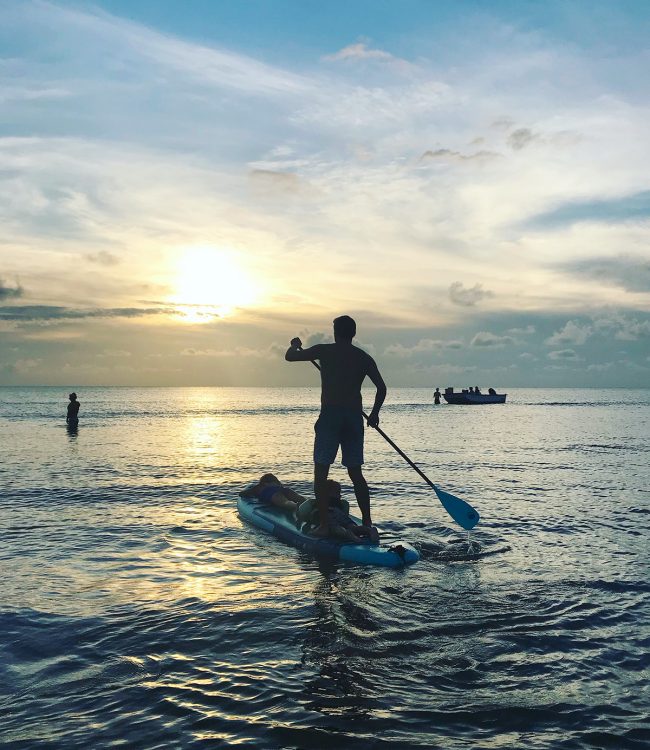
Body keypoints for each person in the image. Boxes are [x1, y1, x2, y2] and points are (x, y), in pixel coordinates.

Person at [285, 315, 386, 538]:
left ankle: (323, 525)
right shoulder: (364, 357)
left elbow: (290, 357)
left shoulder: (325, 350)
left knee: (321, 472)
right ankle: (368, 523)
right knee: (355, 472)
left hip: (331, 416)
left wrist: (294, 345)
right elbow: (381, 388)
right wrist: (374, 413)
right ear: (353, 333)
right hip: (352, 418)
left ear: (335, 332)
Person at [297, 479, 380, 544]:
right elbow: (345, 514)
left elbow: (303, 513)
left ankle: (347, 534)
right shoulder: (339, 504)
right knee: (353, 527)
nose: (340, 495)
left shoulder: (319, 503)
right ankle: (369, 530)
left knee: (335, 528)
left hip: (326, 513)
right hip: (340, 514)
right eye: (337, 493)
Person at [240, 473, 306, 518]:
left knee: (285, 503)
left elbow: (242, 494)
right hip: (285, 489)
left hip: (271, 492)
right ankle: (309, 505)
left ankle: (296, 507)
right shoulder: (279, 486)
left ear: (264, 483)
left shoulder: (260, 487)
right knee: (299, 498)